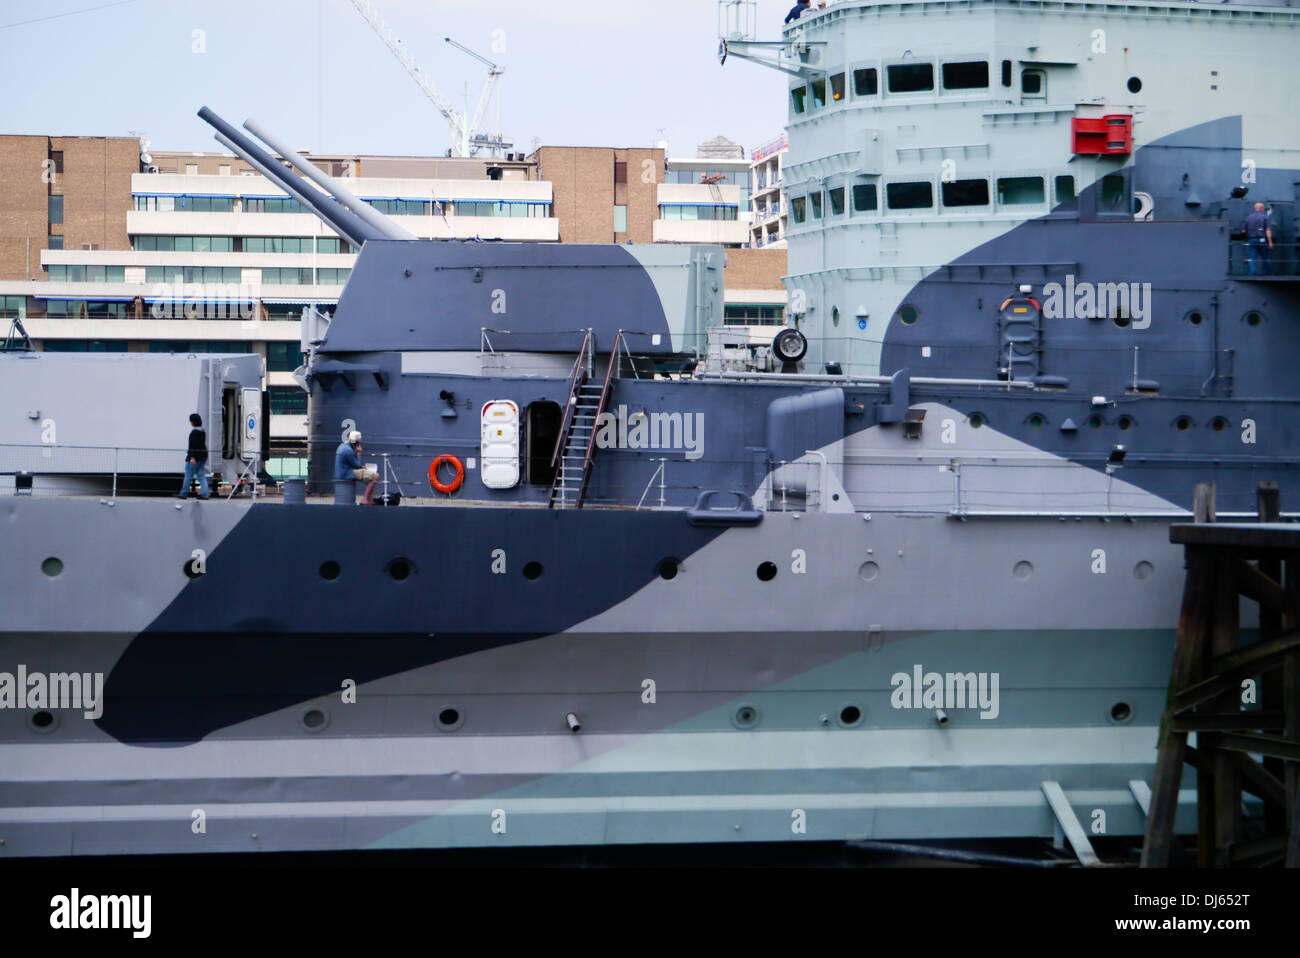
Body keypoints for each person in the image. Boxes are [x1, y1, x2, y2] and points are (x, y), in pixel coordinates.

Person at [334, 430, 379, 504]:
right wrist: (359, 453)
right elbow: (357, 465)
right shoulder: (348, 450)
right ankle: (365, 499)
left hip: (343, 471)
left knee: (370, 476)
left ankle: (369, 499)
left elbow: (352, 463)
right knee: (375, 476)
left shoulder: (343, 446)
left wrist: (361, 467)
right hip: (346, 473)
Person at [177, 413, 209, 500]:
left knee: (188, 475)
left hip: (194, 458)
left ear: (193, 422)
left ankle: (183, 494)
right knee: (201, 476)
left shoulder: (194, 433)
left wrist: (192, 457)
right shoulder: (202, 431)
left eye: (190, 421)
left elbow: (192, 446)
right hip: (203, 456)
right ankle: (205, 494)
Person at [1244, 202, 1274, 276]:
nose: (1264, 210)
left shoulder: (1249, 217)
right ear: (1261, 208)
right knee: (1265, 257)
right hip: (1262, 240)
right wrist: (1270, 242)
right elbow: (1268, 230)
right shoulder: (1265, 217)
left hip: (1252, 240)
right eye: (1263, 208)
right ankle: (1269, 274)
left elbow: (1244, 230)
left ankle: (1252, 274)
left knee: (1252, 258)